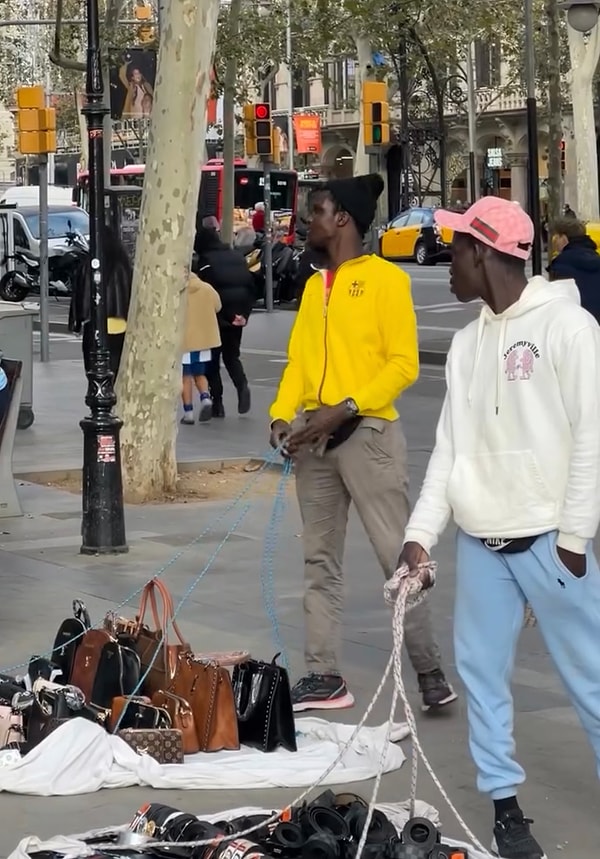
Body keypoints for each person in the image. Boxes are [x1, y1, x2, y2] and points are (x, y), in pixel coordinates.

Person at [399, 196, 600, 859]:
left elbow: (591, 439)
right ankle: (506, 810)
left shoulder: (569, 328)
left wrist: (574, 540)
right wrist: (420, 535)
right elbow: (450, 448)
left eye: (453, 249)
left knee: (592, 679)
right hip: (483, 544)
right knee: (481, 677)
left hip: (551, 542)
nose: (445, 260)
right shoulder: (464, 343)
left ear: (483, 252)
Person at [269, 174, 455, 713]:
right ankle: (323, 675)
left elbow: (404, 364)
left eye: (317, 211)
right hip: (314, 444)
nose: (309, 220)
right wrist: (283, 418)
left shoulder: (385, 281)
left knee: (400, 563)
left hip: (367, 435)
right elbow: (299, 362)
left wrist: (346, 407)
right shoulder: (311, 286)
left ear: (343, 219)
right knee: (318, 562)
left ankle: (430, 672)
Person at [194, 225, 254, 418]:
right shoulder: (237, 256)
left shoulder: (205, 261)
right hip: (237, 316)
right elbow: (251, 285)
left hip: (216, 317)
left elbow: (205, 292)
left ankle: (217, 403)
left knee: (212, 361)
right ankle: (242, 385)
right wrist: (243, 314)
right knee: (231, 356)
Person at [69, 225, 132, 382]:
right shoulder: (124, 263)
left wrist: (76, 323)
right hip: (120, 323)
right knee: (117, 365)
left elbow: (81, 296)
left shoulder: (89, 264)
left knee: (95, 368)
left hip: (96, 323)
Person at [180, 271, 221, 424]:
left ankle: (188, 412)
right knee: (199, 373)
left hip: (185, 341)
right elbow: (218, 306)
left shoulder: (179, 292)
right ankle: (205, 397)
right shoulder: (207, 288)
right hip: (204, 340)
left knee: (185, 377)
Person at [547, 217, 600, 322]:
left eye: (556, 236)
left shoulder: (561, 264)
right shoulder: (596, 258)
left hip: (578, 324)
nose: (554, 240)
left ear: (564, 238)